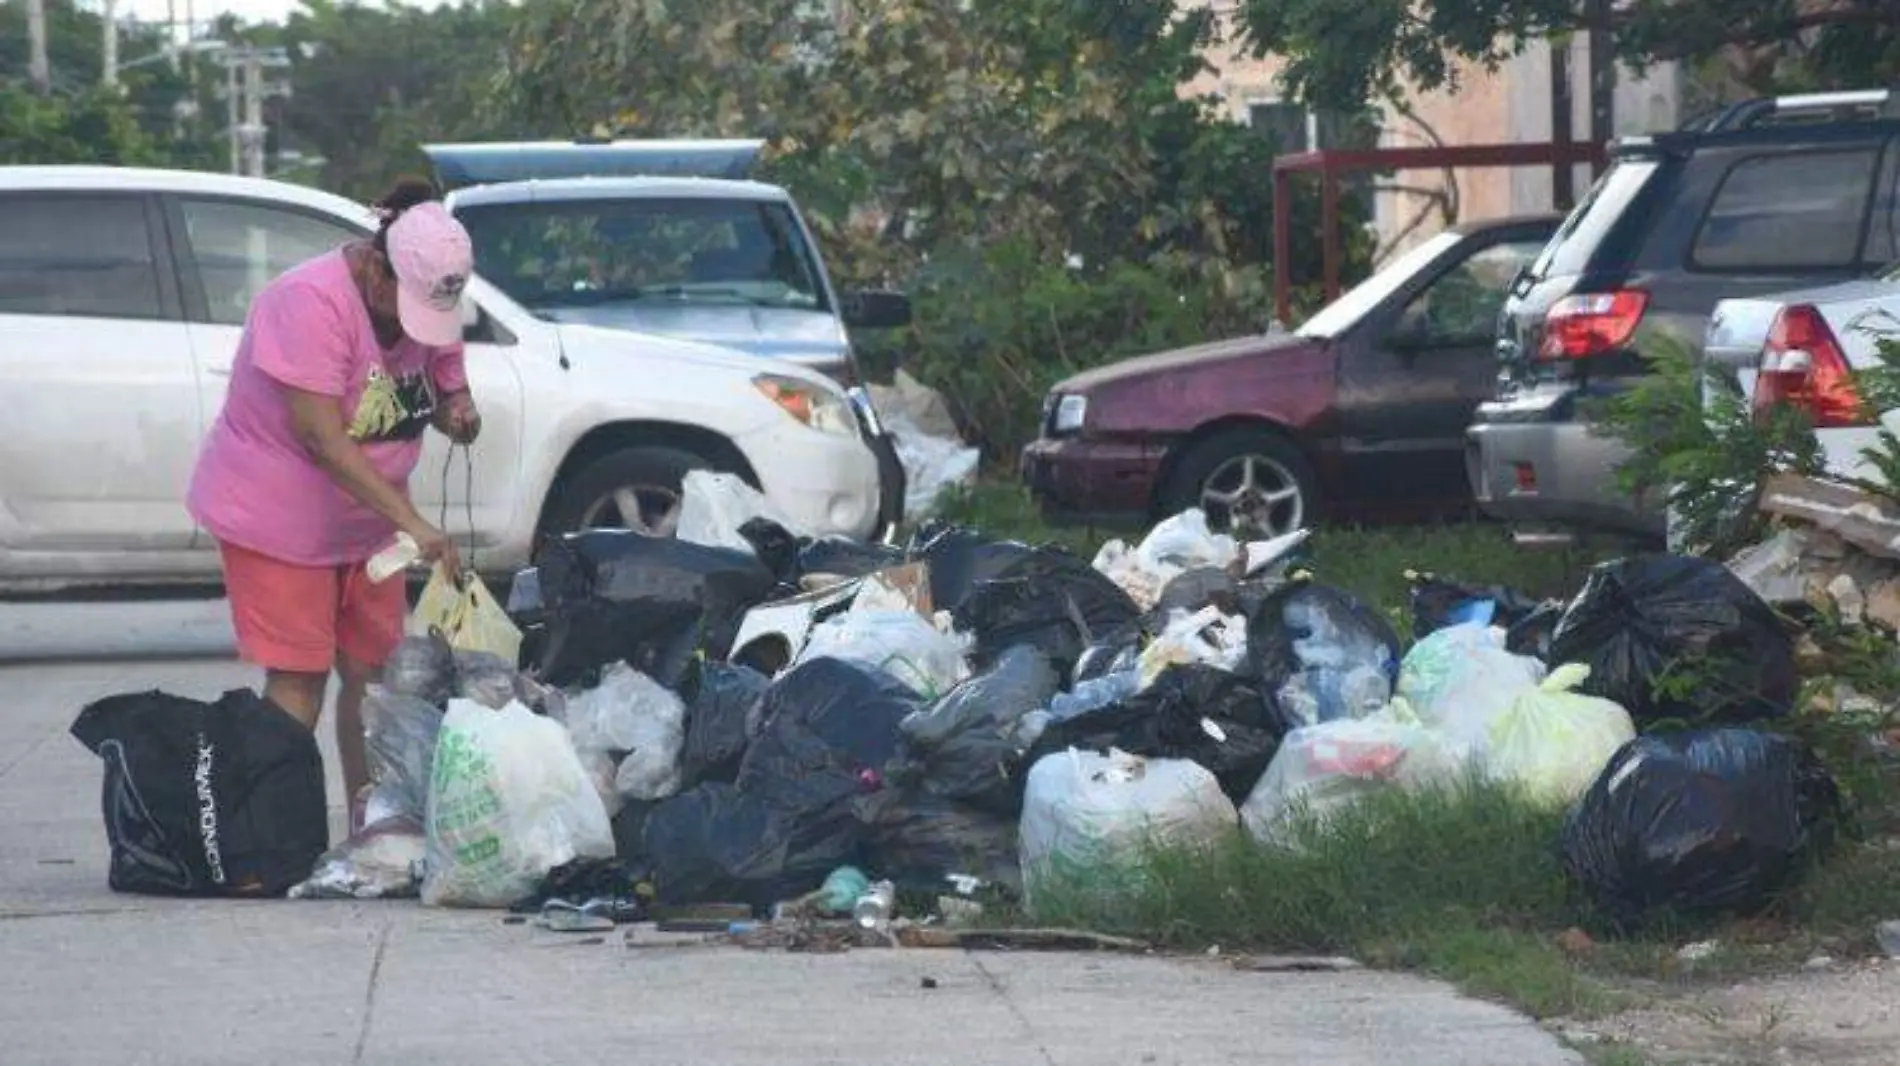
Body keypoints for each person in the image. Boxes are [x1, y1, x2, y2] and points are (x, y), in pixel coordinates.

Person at [186, 177, 481, 830]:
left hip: (369, 520)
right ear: (378, 267)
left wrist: (457, 408)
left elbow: (442, 380)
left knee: (373, 677)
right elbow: (321, 438)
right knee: (299, 678)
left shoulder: (431, 294)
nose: (415, 328)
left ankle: (374, 827)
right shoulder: (307, 302)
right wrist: (414, 524)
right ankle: (278, 834)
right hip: (279, 518)